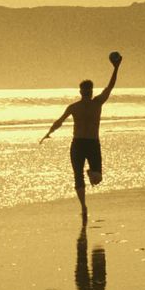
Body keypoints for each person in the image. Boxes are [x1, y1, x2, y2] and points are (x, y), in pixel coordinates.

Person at [41, 53, 122, 215]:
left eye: (89, 90)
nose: (87, 93)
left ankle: (91, 173)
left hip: (92, 143)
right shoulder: (74, 107)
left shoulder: (97, 103)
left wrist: (116, 68)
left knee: (97, 178)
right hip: (77, 144)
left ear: (91, 91)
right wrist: (49, 132)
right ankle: (83, 207)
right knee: (77, 176)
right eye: (85, 90)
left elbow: (110, 86)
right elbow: (60, 120)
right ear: (80, 91)